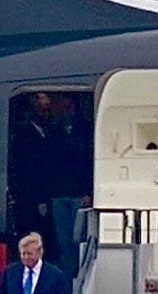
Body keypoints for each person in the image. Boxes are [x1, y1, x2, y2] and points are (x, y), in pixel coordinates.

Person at [50, 94, 93, 280]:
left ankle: (80, 276)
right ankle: (66, 278)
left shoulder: (86, 130)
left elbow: (90, 161)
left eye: (69, 106)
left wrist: (89, 191)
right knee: (63, 240)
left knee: (78, 239)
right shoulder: (54, 130)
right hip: (59, 193)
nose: (66, 110)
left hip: (79, 193)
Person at [12, 93, 59, 260]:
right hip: (32, 196)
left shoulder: (50, 132)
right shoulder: (25, 134)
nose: (45, 112)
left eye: (47, 108)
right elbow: (30, 168)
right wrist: (40, 199)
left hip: (47, 193)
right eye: (41, 108)